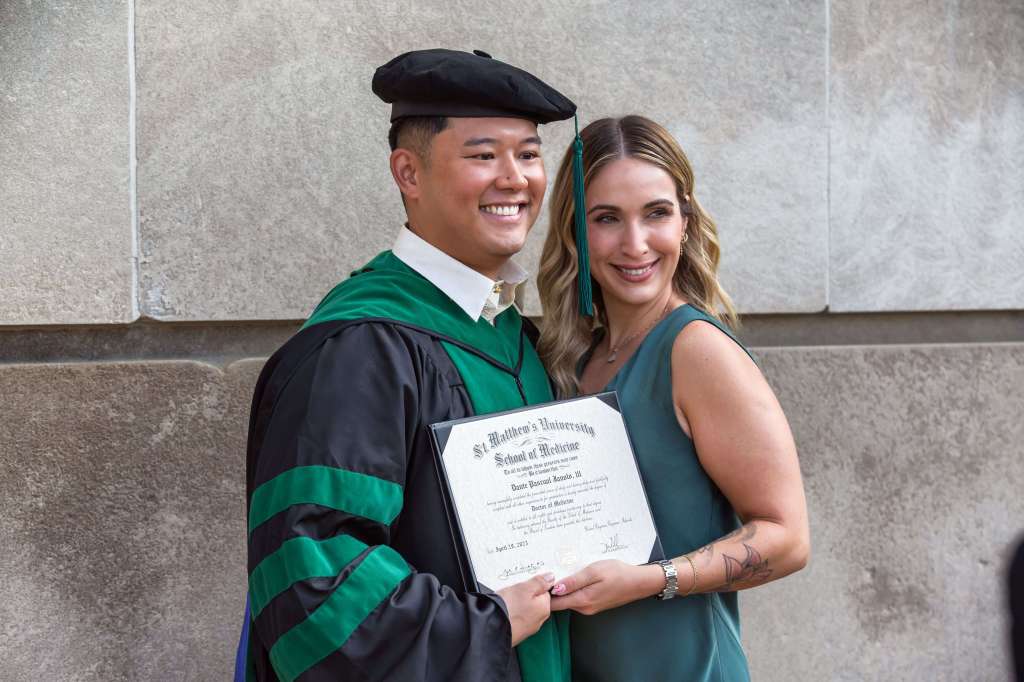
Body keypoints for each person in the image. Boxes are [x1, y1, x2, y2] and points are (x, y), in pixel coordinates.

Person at [240, 49, 578, 681]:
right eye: (483, 155)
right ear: (409, 172)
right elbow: (317, 578)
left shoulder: (516, 336)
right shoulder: (362, 347)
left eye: (529, 154)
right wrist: (489, 625)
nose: (515, 178)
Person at [536, 115, 810, 681]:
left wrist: (651, 579)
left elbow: (787, 539)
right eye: (607, 218)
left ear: (685, 220)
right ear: (575, 232)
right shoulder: (575, 357)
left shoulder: (696, 350)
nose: (635, 244)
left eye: (656, 213)